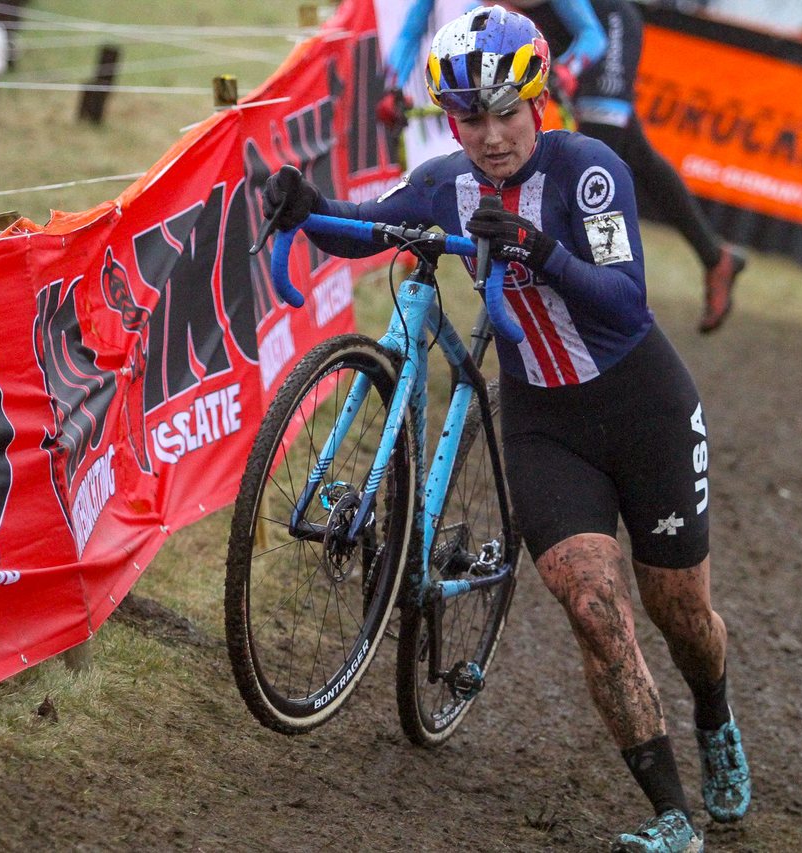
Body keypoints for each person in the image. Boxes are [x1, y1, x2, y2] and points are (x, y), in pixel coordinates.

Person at [263, 7, 748, 850]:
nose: (489, 136)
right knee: (594, 606)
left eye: (504, 113)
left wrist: (538, 249)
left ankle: (715, 715)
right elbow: (364, 225)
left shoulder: (590, 171)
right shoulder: (447, 179)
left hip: (644, 408)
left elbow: (627, 300)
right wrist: (306, 210)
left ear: (541, 100)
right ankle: (673, 813)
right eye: (469, 119)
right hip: (543, 423)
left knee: (683, 614)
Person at [383, 0, 746, 334]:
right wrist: (393, 87)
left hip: (603, 24)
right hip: (548, 29)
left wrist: (569, 70)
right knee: (637, 155)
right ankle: (716, 257)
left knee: (599, 148)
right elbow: (415, 30)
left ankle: (603, 293)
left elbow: (591, 36)